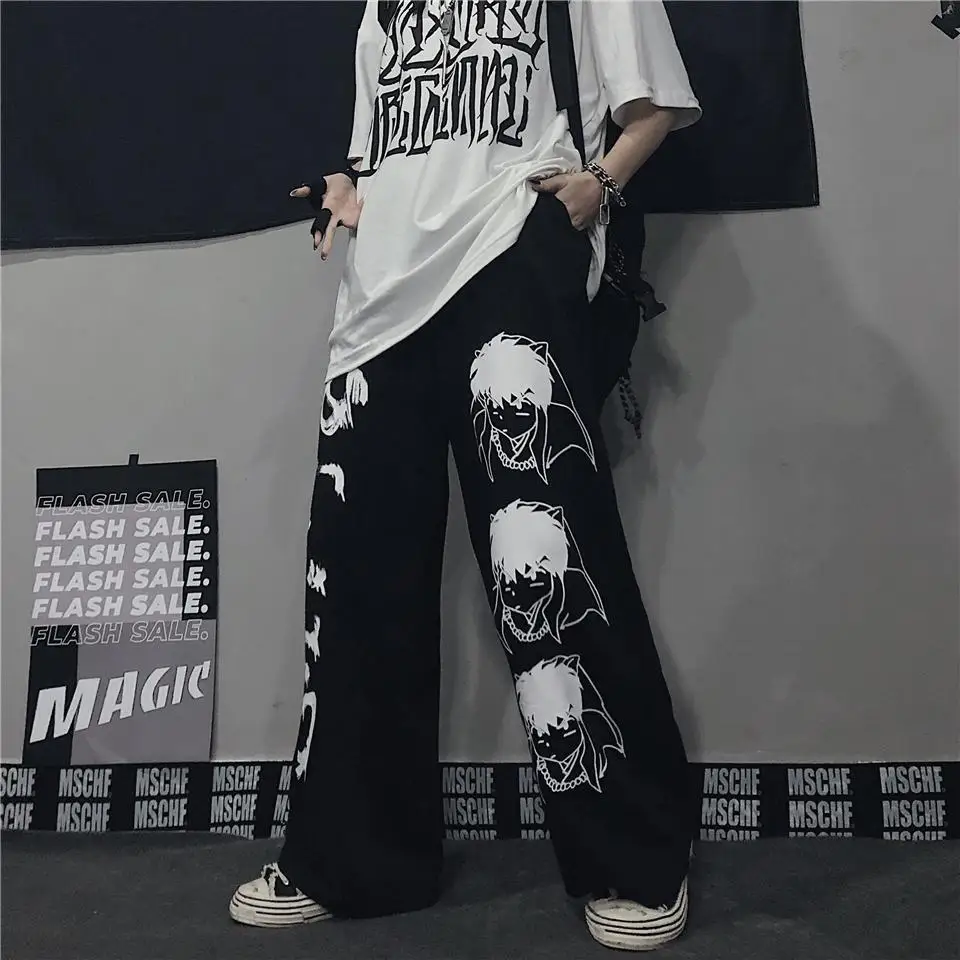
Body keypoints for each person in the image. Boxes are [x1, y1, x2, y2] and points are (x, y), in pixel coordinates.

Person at [230, 0, 701, 951]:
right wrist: (351, 190)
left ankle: (636, 856)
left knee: (553, 563)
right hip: (378, 306)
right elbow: (383, 145)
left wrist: (598, 186)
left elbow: (655, 104)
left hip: (508, 262)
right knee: (357, 585)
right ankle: (352, 861)